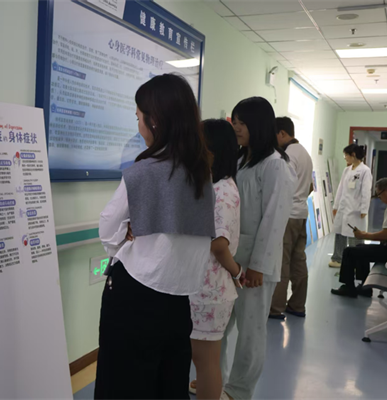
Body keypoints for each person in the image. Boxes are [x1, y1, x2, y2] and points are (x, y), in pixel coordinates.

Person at [96, 74, 215, 400]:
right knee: (169, 385)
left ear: (155, 120)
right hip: (178, 304)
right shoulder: (202, 175)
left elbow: (108, 229)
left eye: (139, 117)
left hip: (134, 298)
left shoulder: (142, 171)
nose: (138, 126)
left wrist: (123, 237)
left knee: (121, 385)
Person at [219, 97, 296, 400]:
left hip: (255, 265)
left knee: (250, 333)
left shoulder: (276, 165)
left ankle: (239, 390)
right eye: (234, 121)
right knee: (218, 323)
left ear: (258, 124)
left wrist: (258, 266)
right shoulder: (239, 160)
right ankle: (213, 376)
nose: (236, 127)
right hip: (228, 260)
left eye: (242, 122)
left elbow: (274, 220)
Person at [188, 119, 243, 400]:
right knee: (202, 361)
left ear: (213, 148)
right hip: (202, 288)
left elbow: (219, 243)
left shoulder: (223, 190)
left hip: (211, 291)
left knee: (206, 363)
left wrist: (237, 271)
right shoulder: (212, 184)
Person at [269, 117, 313, 319]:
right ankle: (297, 305)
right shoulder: (304, 153)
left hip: (287, 215)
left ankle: (275, 308)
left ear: (282, 134)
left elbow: (282, 186)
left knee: (282, 262)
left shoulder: (287, 155)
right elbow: (310, 186)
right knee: (299, 261)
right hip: (302, 214)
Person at [331, 178, 387, 297]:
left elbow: (385, 236)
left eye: (379, 195)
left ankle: (349, 288)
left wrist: (364, 235)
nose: (380, 198)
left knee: (349, 252)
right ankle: (365, 286)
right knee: (360, 247)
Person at [329, 144, 372, 268]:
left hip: (356, 210)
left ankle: (356, 262)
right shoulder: (347, 170)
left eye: (346, 155)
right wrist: (336, 206)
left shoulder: (365, 171)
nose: (345, 158)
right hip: (343, 208)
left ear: (353, 155)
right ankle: (337, 258)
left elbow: (366, 191)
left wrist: (364, 209)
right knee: (339, 234)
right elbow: (340, 189)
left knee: (355, 236)